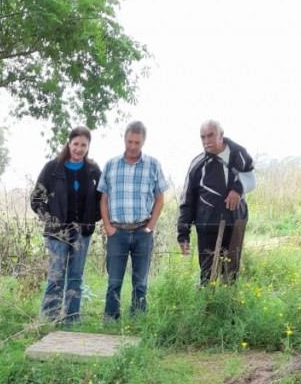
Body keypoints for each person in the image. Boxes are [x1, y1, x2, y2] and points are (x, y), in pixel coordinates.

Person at [30, 126, 102, 324]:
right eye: (76, 144)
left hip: (82, 232)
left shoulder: (93, 170)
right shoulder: (52, 168)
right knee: (56, 276)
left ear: (88, 147)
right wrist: (51, 220)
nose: (79, 149)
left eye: (83, 145)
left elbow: (102, 198)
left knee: (75, 278)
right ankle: (48, 319)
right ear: (69, 144)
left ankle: (71, 319)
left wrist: (92, 218)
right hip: (57, 233)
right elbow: (36, 199)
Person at [98, 121, 168, 322]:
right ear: (124, 139)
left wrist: (150, 227)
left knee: (140, 281)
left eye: (137, 142)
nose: (133, 146)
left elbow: (159, 199)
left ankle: (138, 319)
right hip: (117, 232)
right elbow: (103, 199)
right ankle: (111, 319)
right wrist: (108, 227)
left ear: (144, 141)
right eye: (130, 141)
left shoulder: (153, 164)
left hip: (142, 232)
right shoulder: (111, 164)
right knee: (114, 280)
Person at [177, 120, 256, 284]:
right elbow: (187, 200)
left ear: (221, 135)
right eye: (202, 137)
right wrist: (183, 234)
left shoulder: (239, 154)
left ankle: (228, 309)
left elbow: (251, 179)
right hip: (207, 227)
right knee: (207, 276)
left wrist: (238, 189)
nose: (206, 141)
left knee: (231, 276)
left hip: (235, 224)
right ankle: (206, 309)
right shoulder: (198, 164)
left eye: (210, 135)